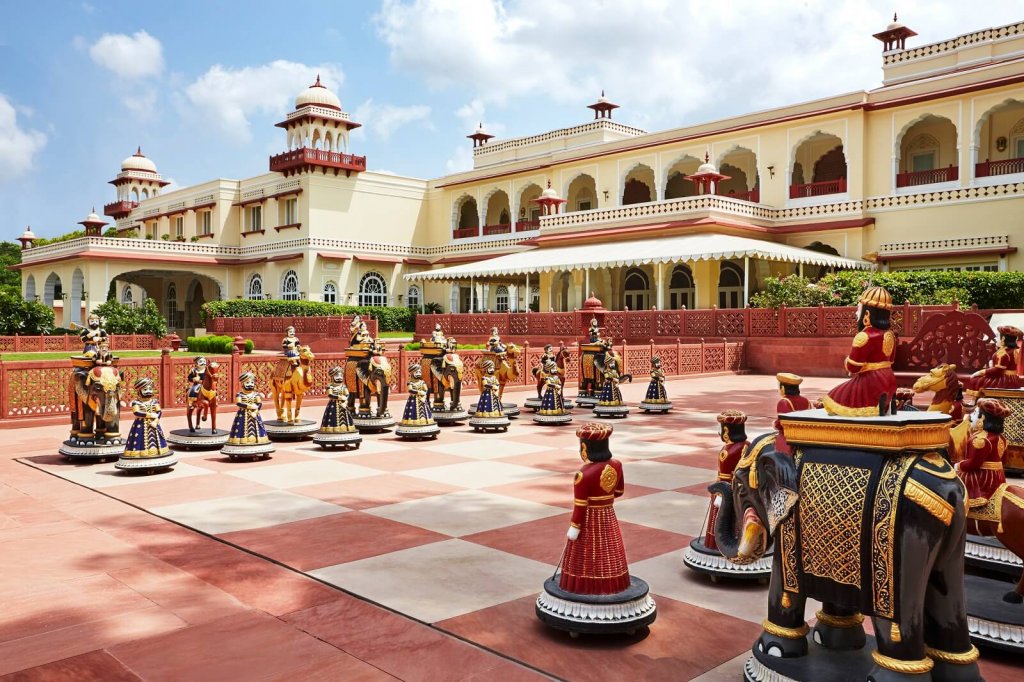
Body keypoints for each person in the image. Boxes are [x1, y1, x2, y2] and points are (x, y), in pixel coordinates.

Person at [559, 422, 630, 594]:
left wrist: (574, 527)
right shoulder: (617, 465)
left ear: (585, 447)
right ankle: (613, 581)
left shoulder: (583, 474)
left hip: (590, 519)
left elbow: (580, 506)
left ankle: (587, 587)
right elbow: (619, 492)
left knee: (586, 554)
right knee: (610, 550)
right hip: (608, 515)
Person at [821, 286, 897, 417]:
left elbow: (854, 367)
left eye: (859, 309)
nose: (857, 313)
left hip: (871, 382)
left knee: (831, 399)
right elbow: (891, 360)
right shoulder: (890, 334)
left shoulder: (865, 336)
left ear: (867, 314)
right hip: (889, 379)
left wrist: (846, 361)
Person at [704, 410, 749, 551]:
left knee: (721, 516)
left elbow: (723, 475)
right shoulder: (747, 445)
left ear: (726, 430)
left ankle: (717, 543)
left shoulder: (727, 451)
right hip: (743, 488)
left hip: (727, 488)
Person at [956, 397, 1009, 508]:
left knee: (953, 485)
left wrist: (958, 465)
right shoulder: (1002, 438)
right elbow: (1003, 461)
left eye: (974, 414)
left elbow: (973, 464)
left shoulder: (980, 440)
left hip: (982, 478)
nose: (970, 417)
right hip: (999, 476)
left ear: (983, 418)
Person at [967, 325, 1023, 396]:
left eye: (997, 336)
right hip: (1012, 378)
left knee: (976, 380)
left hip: (1004, 380)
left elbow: (997, 370)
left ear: (1003, 339)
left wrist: (980, 372)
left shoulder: (1004, 353)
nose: (995, 338)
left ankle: (975, 399)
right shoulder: (1013, 351)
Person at [123, 377, 170, 458]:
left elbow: (159, 411)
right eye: (145, 389)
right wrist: (150, 415)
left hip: (154, 424)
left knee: (157, 438)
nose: (148, 391)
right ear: (139, 391)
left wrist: (156, 421)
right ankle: (139, 452)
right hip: (140, 424)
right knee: (140, 439)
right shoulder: (136, 402)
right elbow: (136, 412)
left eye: (150, 389)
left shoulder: (154, 401)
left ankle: (159, 451)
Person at [227, 371, 270, 446]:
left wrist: (255, 412)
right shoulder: (239, 394)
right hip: (243, 414)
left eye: (252, 382)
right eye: (247, 383)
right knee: (241, 428)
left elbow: (259, 404)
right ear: (242, 384)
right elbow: (239, 403)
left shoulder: (256, 394)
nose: (250, 384)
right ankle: (240, 440)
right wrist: (250, 406)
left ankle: (259, 440)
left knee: (258, 427)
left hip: (254, 414)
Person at [774, 373, 810, 456]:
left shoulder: (784, 402)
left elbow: (782, 423)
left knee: (779, 455)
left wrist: (775, 424)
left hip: (790, 436)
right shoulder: (806, 400)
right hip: (805, 434)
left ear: (782, 388)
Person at [320, 366, 356, 434]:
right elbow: (330, 395)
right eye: (337, 375)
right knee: (332, 418)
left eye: (341, 375)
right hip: (333, 405)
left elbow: (347, 394)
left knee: (346, 417)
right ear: (332, 377)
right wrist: (339, 397)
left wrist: (345, 401)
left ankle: (347, 428)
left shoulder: (343, 386)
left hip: (343, 405)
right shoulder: (330, 386)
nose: (339, 377)